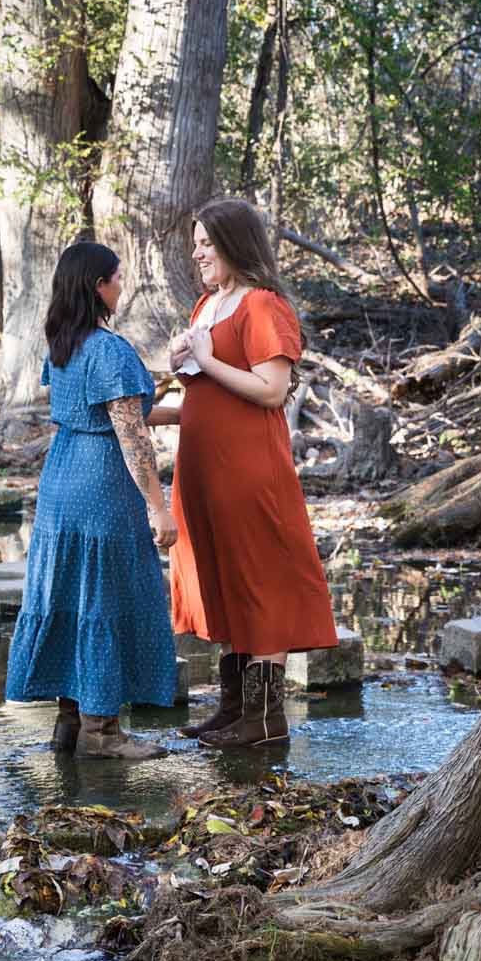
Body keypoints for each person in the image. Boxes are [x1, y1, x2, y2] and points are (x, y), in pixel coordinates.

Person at [148, 197, 336, 747]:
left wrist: (205, 360)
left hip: (250, 469)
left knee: (260, 580)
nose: (198, 252)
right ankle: (234, 709)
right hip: (203, 469)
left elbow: (272, 390)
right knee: (222, 579)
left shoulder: (262, 305)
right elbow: (207, 401)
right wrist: (162, 391)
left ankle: (264, 718)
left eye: (208, 242)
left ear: (236, 244)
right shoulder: (206, 307)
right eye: (196, 243)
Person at [6, 239, 178, 760]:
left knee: (68, 592)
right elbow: (130, 436)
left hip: (61, 479)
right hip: (102, 485)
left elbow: (102, 413)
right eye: (117, 278)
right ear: (98, 286)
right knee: (105, 595)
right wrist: (159, 505)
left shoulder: (62, 344)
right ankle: (103, 731)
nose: (122, 286)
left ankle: (69, 721)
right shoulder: (111, 350)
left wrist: (182, 415)